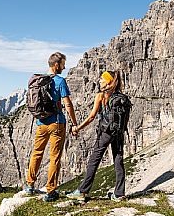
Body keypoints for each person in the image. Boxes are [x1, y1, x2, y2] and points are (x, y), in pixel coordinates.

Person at [67, 70, 129, 202]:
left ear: (108, 81)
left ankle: (82, 191)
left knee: (94, 160)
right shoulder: (121, 97)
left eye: (102, 78)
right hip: (118, 132)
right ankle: (119, 193)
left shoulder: (101, 96)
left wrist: (77, 127)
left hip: (106, 132)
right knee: (118, 160)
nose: (99, 80)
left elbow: (91, 117)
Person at [25, 52, 78, 202]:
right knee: (55, 157)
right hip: (57, 123)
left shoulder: (38, 81)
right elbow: (67, 104)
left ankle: (30, 185)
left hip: (41, 123)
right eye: (62, 64)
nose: (64, 67)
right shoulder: (60, 81)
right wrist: (74, 123)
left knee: (36, 153)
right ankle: (50, 191)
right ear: (56, 65)